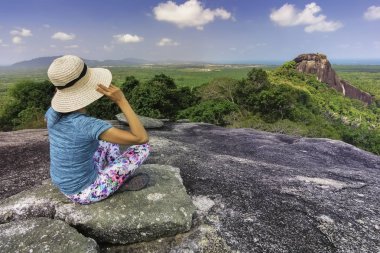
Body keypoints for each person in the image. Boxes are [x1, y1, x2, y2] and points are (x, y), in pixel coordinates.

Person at [44, 55, 151, 205]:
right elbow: (141, 138)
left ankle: (112, 171)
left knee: (108, 142)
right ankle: (116, 182)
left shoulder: (51, 113)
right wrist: (121, 100)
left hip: (65, 183)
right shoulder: (88, 125)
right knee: (143, 148)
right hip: (86, 191)